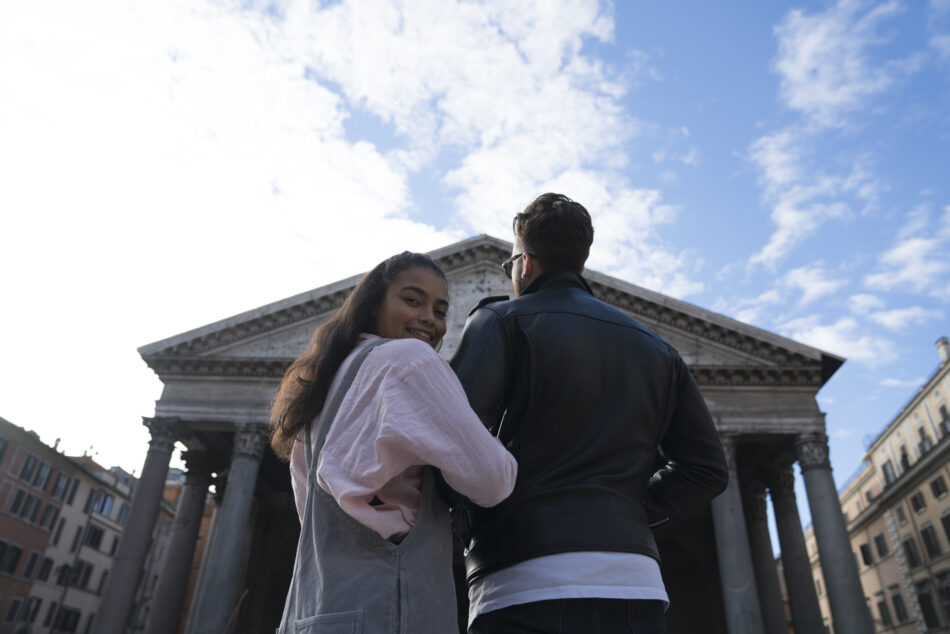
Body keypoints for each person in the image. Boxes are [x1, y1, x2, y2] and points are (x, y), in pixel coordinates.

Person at [450, 193, 729, 633]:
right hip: (637, 582)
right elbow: (707, 470)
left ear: (524, 263)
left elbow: (448, 437)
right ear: (581, 265)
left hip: (525, 577)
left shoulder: (501, 321)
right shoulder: (659, 349)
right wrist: (626, 509)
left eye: (511, 267)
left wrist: (475, 517)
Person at [270, 251, 517, 634]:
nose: (429, 319)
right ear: (373, 306)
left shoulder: (325, 387)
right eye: (412, 300)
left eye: (440, 310)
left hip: (314, 612)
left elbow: (311, 515)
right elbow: (493, 480)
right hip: (389, 605)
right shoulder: (409, 360)